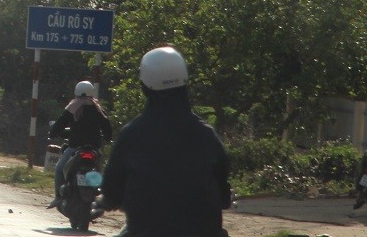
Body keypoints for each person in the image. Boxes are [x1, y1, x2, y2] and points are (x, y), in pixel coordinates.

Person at [102, 46, 231, 237]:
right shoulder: (205, 134)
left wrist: (111, 199)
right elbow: (223, 178)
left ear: (145, 86)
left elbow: (111, 187)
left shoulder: (132, 134)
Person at [47, 80, 113, 208]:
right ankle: (103, 196)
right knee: (101, 170)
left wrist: (52, 134)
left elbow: (60, 123)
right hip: (94, 148)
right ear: (91, 93)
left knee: (60, 169)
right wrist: (108, 138)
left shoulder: (73, 107)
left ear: (76, 92)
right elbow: (107, 126)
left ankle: (58, 198)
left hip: (75, 147)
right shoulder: (97, 108)